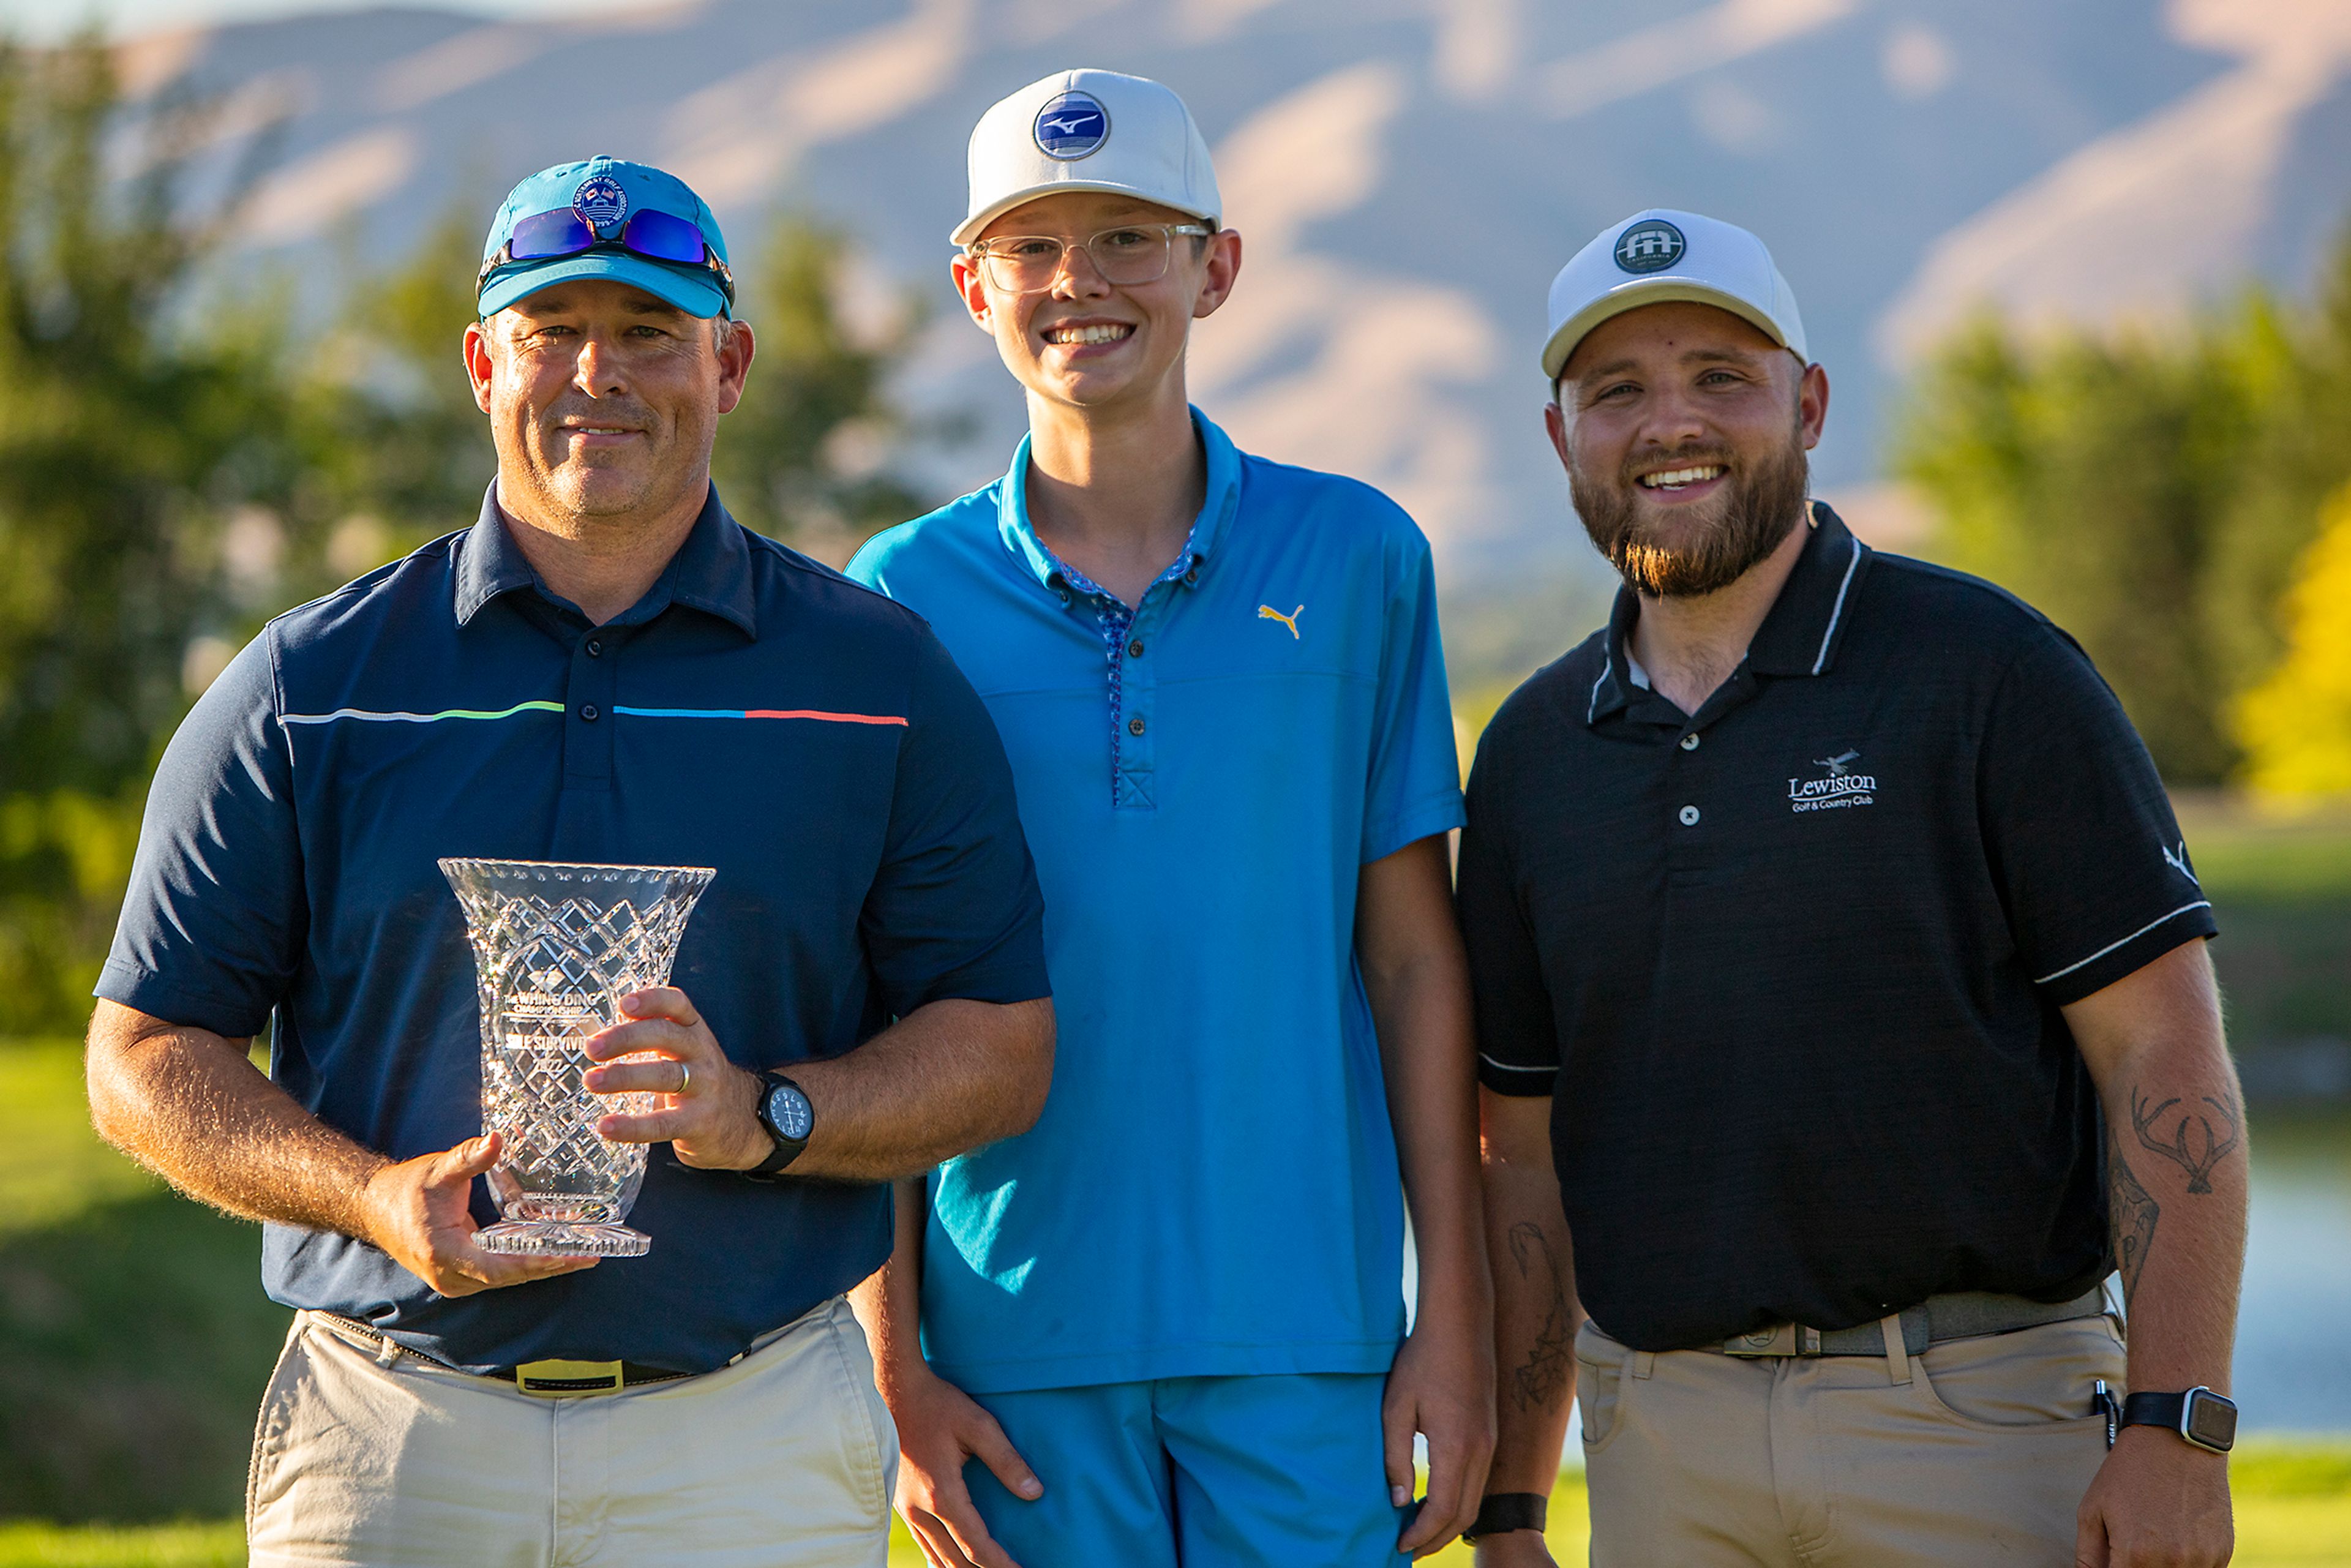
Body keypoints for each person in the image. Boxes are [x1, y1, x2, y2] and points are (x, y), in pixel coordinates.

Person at [84, 155, 1055, 1568]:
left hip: (750, 1437)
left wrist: (766, 1115)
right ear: (486, 362)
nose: (600, 372)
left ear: (728, 365)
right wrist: (369, 1198)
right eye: (554, 331)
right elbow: (142, 1050)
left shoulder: (877, 681)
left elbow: (1001, 1043)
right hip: (392, 1432)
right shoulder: (312, 684)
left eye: (651, 332)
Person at [1458, 209, 2244, 1568]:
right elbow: (1520, 1161)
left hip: (1984, 1427)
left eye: (1720, 377)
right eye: (1619, 392)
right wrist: (1517, 1512)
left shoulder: (1990, 673)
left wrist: (2177, 1429)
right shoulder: (1532, 755)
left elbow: (2163, 1058)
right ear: (1561, 437)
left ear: (1808, 405)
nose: (1671, 424)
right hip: (1660, 1448)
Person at [845, 69, 1493, 1568]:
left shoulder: (1359, 556)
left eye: (1132, 236)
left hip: (1307, 1332)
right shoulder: (900, 596)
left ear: (1219, 265)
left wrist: (1449, 1321)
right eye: (1034, 245)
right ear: (971, 283)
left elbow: (1411, 963)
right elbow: (868, 991)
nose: (1082, 282)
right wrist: (894, 1369)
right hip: (1009, 1343)